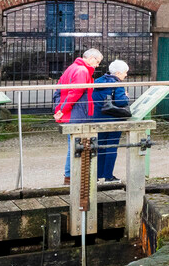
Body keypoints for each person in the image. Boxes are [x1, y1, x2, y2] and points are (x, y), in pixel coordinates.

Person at [55, 47, 103, 181]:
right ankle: (71, 176)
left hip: (74, 112)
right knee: (77, 144)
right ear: (91, 58)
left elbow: (60, 89)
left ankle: (70, 175)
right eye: (97, 61)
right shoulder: (82, 70)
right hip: (78, 113)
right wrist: (62, 110)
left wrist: (60, 109)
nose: (97, 65)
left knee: (74, 144)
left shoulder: (72, 67)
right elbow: (75, 92)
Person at [90, 59, 132, 181]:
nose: (126, 75)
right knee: (112, 147)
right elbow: (120, 101)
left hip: (99, 118)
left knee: (100, 146)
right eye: (125, 72)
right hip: (113, 119)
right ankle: (108, 176)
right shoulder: (117, 84)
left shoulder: (98, 82)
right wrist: (126, 96)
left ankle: (97, 175)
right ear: (118, 73)